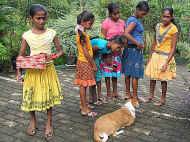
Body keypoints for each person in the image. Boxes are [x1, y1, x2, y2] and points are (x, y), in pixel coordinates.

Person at [16, 4, 63, 139]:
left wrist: (53, 56)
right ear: (31, 18)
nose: (41, 21)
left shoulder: (52, 33)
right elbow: (21, 55)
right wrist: (18, 72)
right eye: (38, 18)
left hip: (48, 70)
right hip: (32, 71)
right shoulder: (27, 35)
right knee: (30, 96)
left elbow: (60, 51)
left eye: (44, 18)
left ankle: (49, 122)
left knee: (48, 97)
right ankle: (32, 120)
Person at [145, 7, 178, 106]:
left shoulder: (174, 29)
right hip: (156, 55)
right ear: (161, 16)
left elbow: (173, 48)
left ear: (171, 17)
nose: (165, 19)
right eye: (164, 16)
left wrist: (167, 62)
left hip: (166, 57)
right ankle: (150, 96)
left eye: (168, 17)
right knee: (152, 77)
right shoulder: (158, 26)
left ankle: (162, 99)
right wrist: (150, 57)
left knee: (163, 80)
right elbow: (155, 42)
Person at [122, 1, 149, 107]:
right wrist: (138, 43)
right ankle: (134, 96)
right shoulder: (134, 21)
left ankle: (128, 94)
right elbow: (126, 33)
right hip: (134, 50)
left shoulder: (130, 19)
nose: (143, 16)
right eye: (143, 13)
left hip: (129, 49)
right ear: (137, 10)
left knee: (128, 73)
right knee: (135, 75)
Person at [74, 11, 98, 117]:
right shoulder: (82, 34)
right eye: (90, 23)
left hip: (82, 61)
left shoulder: (80, 31)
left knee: (83, 85)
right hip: (85, 62)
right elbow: (85, 52)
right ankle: (84, 108)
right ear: (84, 21)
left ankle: (83, 104)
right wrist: (93, 64)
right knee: (83, 85)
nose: (91, 25)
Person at [90, 35, 126, 104]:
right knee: (92, 77)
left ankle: (98, 97)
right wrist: (93, 64)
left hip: (96, 57)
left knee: (98, 77)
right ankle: (91, 99)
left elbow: (105, 57)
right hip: (90, 56)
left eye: (120, 48)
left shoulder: (109, 48)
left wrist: (111, 65)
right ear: (112, 42)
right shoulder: (102, 45)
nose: (118, 49)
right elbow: (89, 51)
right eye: (118, 47)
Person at [101, 3, 125, 100]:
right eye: (115, 14)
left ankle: (115, 92)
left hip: (117, 54)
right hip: (108, 54)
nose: (117, 16)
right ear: (110, 14)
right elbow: (102, 39)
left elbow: (123, 37)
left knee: (115, 73)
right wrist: (107, 52)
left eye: (118, 13)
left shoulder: (122, 22)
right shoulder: (105, 23)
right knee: (107, 73)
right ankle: (108, 93)